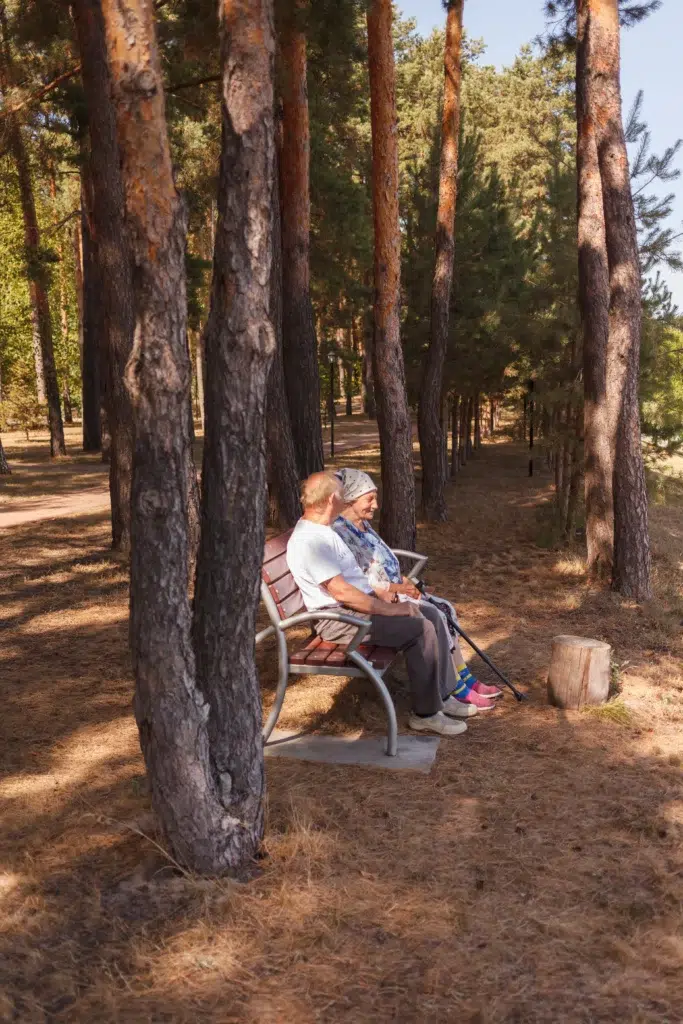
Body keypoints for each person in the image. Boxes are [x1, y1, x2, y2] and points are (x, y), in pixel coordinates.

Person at [286, 471, 471, 737]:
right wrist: (392, 608)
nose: (345, 497)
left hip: (353, 608)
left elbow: (353, 582)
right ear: (330, 500)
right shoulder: (310, 540)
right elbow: (343, 593)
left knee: (429, 614)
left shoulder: (324, 529)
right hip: (338, 620)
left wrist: (387, 592)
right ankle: (427, 714)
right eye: (341, 493)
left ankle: (442, 694)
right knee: (420, 627)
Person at [332, 467, 502, 708]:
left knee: (443, 608)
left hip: (391, 592)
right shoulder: (340, 534)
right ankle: (453, 686)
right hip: (379, 600)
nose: (376, 505)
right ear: (350, 498)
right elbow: (362, 580)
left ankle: (463, 676)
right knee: (436, 615)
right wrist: (400, 587)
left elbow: (379, 564)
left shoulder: (360, 526)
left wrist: (404, 582)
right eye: (369, 499)